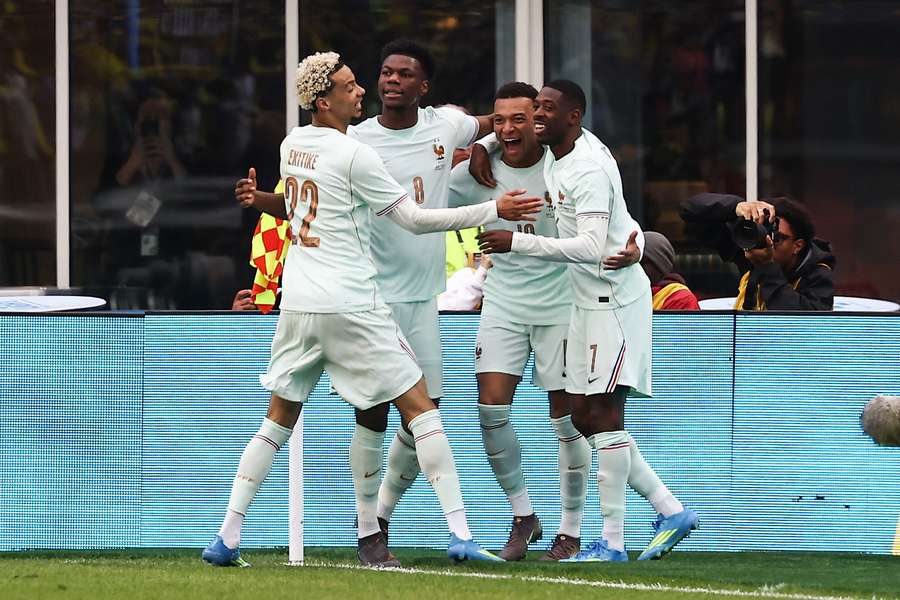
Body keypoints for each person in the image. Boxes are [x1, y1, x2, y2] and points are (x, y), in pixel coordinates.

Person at [202, 51, 542, 568]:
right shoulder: (356, 152)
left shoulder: (292, 144)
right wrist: (496, 207)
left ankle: (227, 537)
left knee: (278, 419)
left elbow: (299, 206)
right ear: (324, 100)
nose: (363, 89)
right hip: (353, 301)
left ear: (424, 85)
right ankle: (457, 533)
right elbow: (414, 219)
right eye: (351, 84)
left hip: (301, 301)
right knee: (421, 410)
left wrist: (483, 145)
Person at [476, 79, 699, 562]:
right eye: (535, 107)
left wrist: (518, 242)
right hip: (583, 302)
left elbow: (592, 248)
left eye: (546, 109)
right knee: (581, 415)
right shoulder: (566, 151)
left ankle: (613, 542)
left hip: (613, 302)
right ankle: (669, 509)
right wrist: (485, 142)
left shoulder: (588, 167)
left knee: (603, 416)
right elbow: (616, 220)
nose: (537, 116)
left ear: (573, 116)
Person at [449, 81, 640, 561]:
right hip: (504, 301)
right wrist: (479, 146)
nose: (512, 128)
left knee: (569, 420)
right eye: (501, 121)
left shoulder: (566, 161)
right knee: (491, 411)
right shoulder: (478, 168)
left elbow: (614, 212)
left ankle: (570, 531)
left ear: (542, 118)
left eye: (524, 117)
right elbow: (427, 199)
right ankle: (523, 515)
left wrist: (635, 239)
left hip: (562, 304)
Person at [342, 39, 499, 566]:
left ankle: (381, 514)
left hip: (421, 298)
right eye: (385, 73)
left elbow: (501, 120)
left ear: (423, 87)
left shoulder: (445, 126)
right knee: (372, 411)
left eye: (404, 74)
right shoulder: (355, 139)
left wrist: (483, 146)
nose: (391, 81)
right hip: (371, 298)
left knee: (424, 414)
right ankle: (369, 533)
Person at [679, 193, 835, 310]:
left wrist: (767, 267)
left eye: (777, 238)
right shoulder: (753, 251)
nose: (768, 243)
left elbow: (804, 324)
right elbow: (689, 210)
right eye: (765, 234)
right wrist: (734, 207)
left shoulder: (818, 274)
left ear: (797, 245)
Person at [641, 231, 700, 310]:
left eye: (642, 262)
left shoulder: (680, 298)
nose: (637, 268)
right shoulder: (626, 294)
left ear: (660, 266)